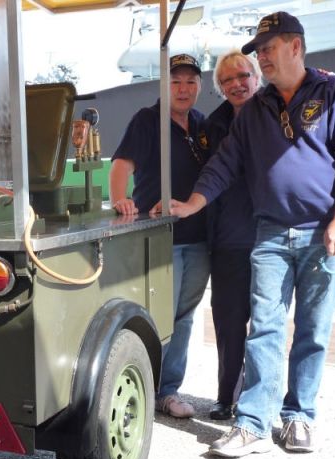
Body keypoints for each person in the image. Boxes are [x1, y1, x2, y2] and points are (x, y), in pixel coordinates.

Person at [170, 11, 335, 456]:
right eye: (260, 53)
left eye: (268, 50)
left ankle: (298, 417)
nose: (264, 60)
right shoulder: (255, 108)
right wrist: (193, 203)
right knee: (265, 329)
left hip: (321, 233)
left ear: (295, 46)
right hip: (270, 233)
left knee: (312, 330)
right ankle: (253, 423)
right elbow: (225, 162)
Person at [110, 53, 210, 418]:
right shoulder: (147, 120)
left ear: (200, 86)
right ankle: (146, 389)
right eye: (176, 81)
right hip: (161, 237)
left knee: (184, 315)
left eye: (191, 81)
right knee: (159, 315)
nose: (183, 89)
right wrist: (121, 200)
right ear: (164, 86)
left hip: (199, 237)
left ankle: (168, 391)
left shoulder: (200, 124)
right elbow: (121, 165)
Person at [203, 50, 261, 421]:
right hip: (227, 242)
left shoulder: (275, 114)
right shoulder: (213, 124)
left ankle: (258, 402)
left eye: (242, 75)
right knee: (228, 322)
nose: (236, 84)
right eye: (227, 80)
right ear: (220, 88)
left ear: (257, 76)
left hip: (270, 238)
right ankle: (227, 394)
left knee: (266, 327)